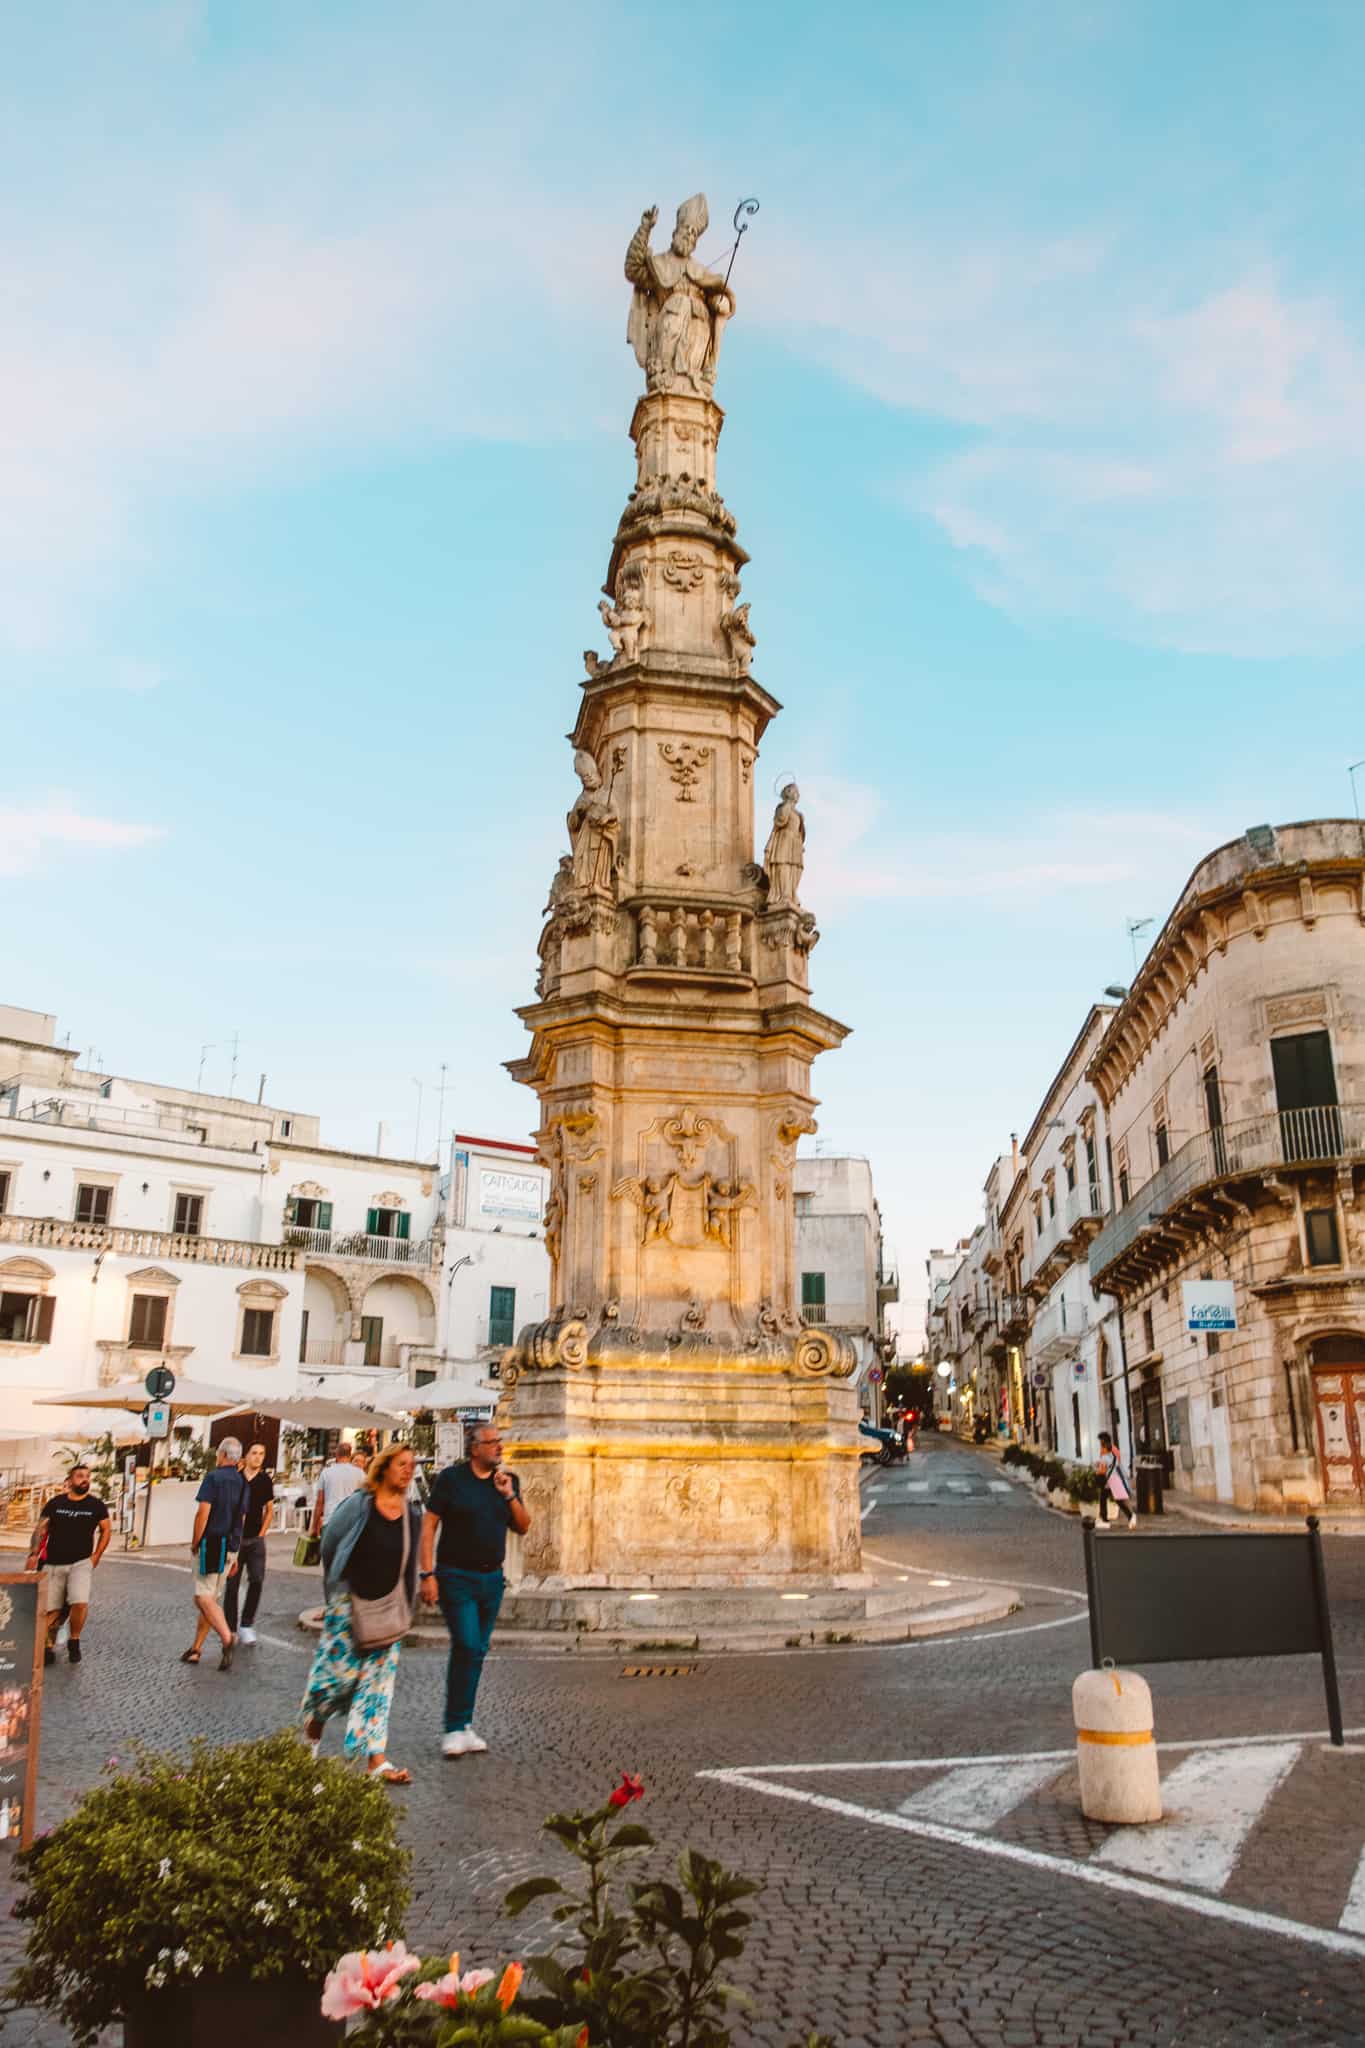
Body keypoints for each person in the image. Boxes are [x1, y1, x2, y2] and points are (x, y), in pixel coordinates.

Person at [301, 1443, 421, 1785]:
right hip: (348, 1608)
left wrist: (410, 1603)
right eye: (402, 1464)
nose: (408, 1470)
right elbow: (329, 1544)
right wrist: (333, 1594)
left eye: (411, 1465)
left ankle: (376, 1760)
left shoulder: (412, 1515)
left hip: (388, 1611)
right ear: (383, 1468)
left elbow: (410, 1564)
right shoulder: (358, 1507)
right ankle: (311, 1739)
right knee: (334, 1682)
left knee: (378, 1689)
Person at [420, 1421, 530, 1759]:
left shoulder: (507, 1482)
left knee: (477, 1650)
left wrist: (508, 1495)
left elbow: (523, 1526)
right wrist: (427, 1573)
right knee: (466, 1644)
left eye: (500, 1441)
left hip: (491, 1579)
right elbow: (429, 1525)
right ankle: (453, 1727)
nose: (499, 1447)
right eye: (492, 1442)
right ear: (474, 1447)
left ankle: (465, 1724)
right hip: (456, 1575)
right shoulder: (452, 1480)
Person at [26, 1464, 111, 1666]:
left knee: (79, 1601)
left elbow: (106, 1530)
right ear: (70, 1481)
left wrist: (97, 1555)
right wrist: (33, 1554)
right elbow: (40, 1529)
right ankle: (46, 1647)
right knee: (51, 1610)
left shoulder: (96, 1505)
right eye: (80, 1476)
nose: (85, 1479)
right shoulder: (55, 1503)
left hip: (81, 1562)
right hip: (52, 1564)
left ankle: (74, 1640)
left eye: (88, 1476)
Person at [183, 1438, 248, 1670]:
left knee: (203, 1598)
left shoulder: (213, 1478)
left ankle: (228, 1638)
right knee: (210, 1599)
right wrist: (236, 1552)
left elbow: (203, 1512)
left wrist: (195, 1542)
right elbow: (241, 1518)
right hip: (230, 1546)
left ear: (221, 1455)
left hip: (211, 1544)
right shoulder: (242, 1482)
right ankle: (196, 1647)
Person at [224, 1442, 274, 1645]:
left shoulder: (264, 1480)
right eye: (254, 1453)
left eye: (261, 1454)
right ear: (246, 1456)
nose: (258, 1457)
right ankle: (230, 1628)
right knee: (232, 1585)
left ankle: (246, 1624)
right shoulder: (237, 1478)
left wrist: (262, 1533)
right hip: (236, 1539)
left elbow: (269, 1509)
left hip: (255, 1539)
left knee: (257, 1580)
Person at [311, 1441, 365, 1538]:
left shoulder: (326, 1473)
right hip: (351, 1523)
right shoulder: (360, 1474)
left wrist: (314, 1528)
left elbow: (320, 1502)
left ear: (336, 1454)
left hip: (330, 1520)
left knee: (328, 1552)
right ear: (350, 1455)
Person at [1096, 1431, 1137, 1531]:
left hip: (1108, 1480)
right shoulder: (1113, 1453)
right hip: (1114, 1478)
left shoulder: (1105, 1456)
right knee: (1116, 1500)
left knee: (1106, 1499)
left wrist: (1098, 1469)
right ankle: (1130, 1516)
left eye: (1101, 1442)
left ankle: (1105, 1520)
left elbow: (1102, 1470)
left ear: (1103, 1443)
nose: (1100, 1445)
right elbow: (1117, 1465)